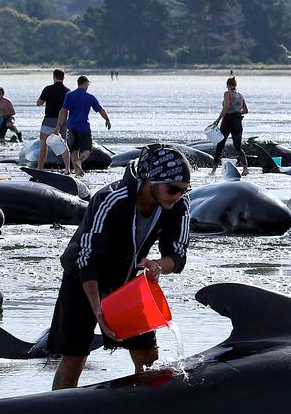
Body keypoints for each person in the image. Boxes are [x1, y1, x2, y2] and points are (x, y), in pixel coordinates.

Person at [48, 145, 192, 390]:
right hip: (83, 280)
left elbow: (177, 255)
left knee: (148, 358)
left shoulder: (178, 205)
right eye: (173, 189)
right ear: (151, 180)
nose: (178, 195)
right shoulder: (111, 199)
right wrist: (98, 308)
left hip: (127, 280)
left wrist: (158, 265)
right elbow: (87, 257)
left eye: (184, 189)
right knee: (75, 357)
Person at [55, 75, 111, 177]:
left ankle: (77, 172)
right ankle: (79, 162)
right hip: (84, 128)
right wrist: (107, 119)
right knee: (87, 150)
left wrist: (58, 126)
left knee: (73, 150)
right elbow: (100, 109)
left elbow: (63, 111)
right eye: (88, 84)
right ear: (85, 84)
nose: (88, 86)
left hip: (71, 127)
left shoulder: (69, 95)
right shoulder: (89, 97)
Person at [209, 76, 249, 176]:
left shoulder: (227, 93)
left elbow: (226, 107)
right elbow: (245, 110)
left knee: (220, 146)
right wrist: (237, 112)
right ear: (235, 85)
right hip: (237, 121)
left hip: (227, 121)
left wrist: (218, 120)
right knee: (238, 147)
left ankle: (213, 170)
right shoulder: (240, 95)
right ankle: (245, 169)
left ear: (227, 85)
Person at [35, 69, 70, 170]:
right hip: (62, 121)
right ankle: (67, 169)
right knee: (64, 145)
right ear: (63, 78)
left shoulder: (48, 89)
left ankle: (40, 167)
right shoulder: (68, 91)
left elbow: (39, 103)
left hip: (49, 120)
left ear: (53, 77)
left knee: (44, 144)